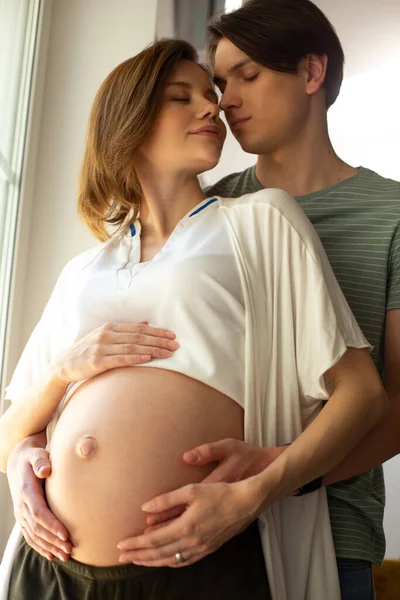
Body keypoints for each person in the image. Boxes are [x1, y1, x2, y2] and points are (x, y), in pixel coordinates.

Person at [0, 35, 388, 600]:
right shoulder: (83, 270)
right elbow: (11, 433)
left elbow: (363, 395)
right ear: (128, 120)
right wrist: (56, 386)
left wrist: (257, 491)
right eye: (182, 97)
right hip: (55, 569)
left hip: (205, 557)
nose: (213, 107)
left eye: (211, 94)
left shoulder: (261, 221)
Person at [118, 2, 400, 599]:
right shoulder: (210, 211)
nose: (225, 100)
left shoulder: (391, 217)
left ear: (311, 73)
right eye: (221, 83)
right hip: (194, 535)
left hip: (329, 535)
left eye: (247, 75)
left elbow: (397, 402)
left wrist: (268, 485)